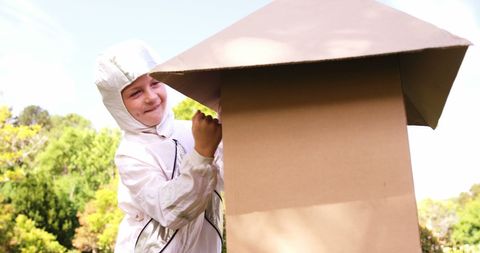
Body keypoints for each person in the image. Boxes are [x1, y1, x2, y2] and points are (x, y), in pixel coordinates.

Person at [94, 40, 224, 253]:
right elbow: (169, 210)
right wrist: (202, 153)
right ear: (117, 105)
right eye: (135, 93)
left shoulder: (194, 131)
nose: (151, 97)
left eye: (155, 83)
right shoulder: (131, 154)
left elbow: (232, 177)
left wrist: (232, 120)